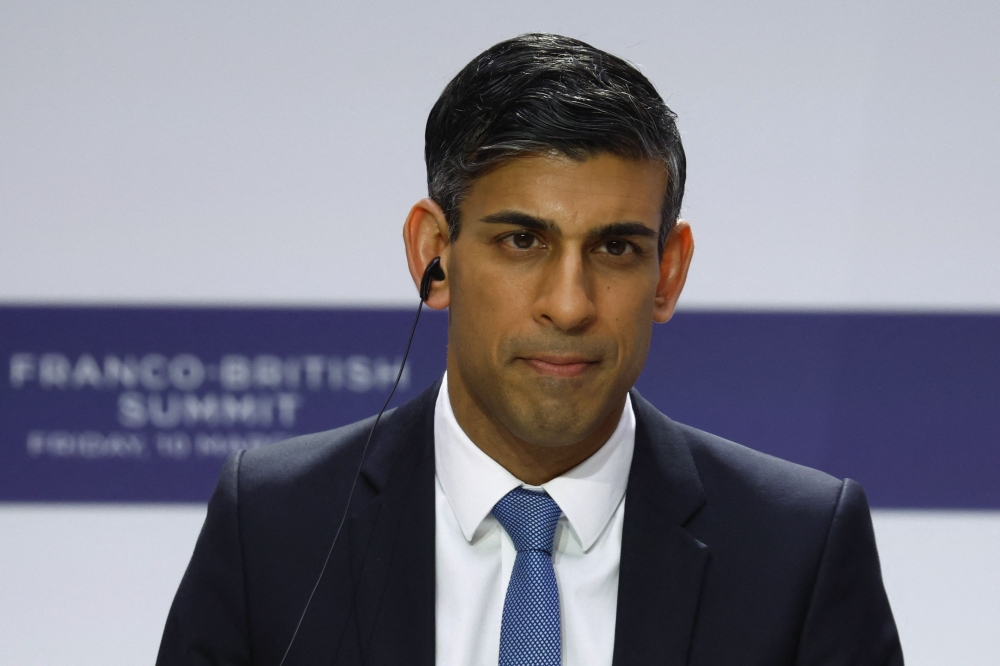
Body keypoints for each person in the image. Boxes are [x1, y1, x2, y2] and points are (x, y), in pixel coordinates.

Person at [157, 33, 902, 666]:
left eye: (615, 247)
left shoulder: (798, 548)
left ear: (667, 272)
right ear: (433, 253)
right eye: (522, 240)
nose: (570, 304)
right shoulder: (274, 524)